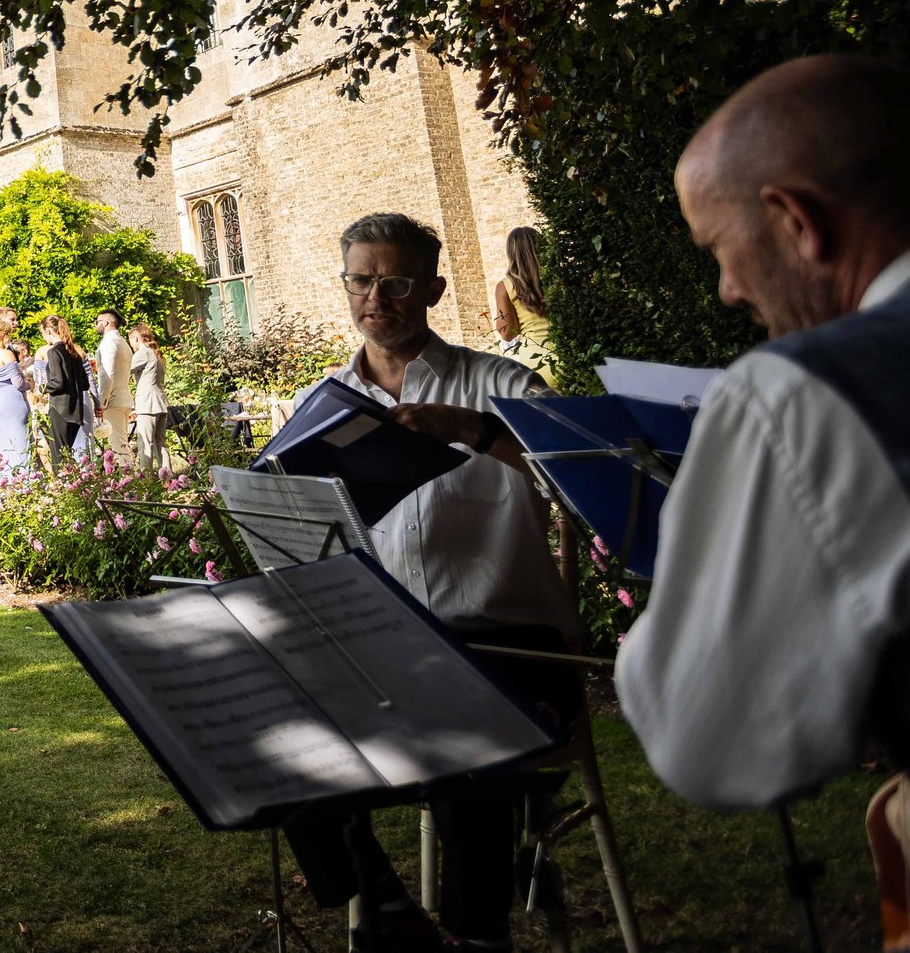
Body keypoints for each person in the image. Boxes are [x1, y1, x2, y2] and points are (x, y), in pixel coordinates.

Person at [616, 57, 910, 833]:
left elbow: (710, 738)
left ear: (795, 220)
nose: (728, 291)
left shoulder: (801, 394)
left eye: (718, 249)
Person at [280, 211, 579, 952]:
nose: (374, 296)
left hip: (511, 645)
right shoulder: (323, 403)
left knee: (465, 706)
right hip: (386, 646)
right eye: (360, 279)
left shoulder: (501, 382)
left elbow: (579, 479)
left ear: (434, 288)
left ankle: (478, 934)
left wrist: (477, 430)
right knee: (270, 716)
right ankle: (389, 911)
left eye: (395, 280)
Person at [488, 226, 557, 377]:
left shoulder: (505, 287)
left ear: (511, 253)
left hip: (537, 364)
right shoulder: (558, 276)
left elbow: (507, 334)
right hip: (571, 356)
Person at [35, 316, 94, 463]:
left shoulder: (54, 352)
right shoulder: (73, 351)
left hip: (60, 409)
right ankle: (73, 483)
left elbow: (57, 382)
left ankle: (63, 485)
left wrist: (41, 390)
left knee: (58, 457)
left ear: (48, 331)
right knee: (66, 454)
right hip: (76, 411)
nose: (43, 337)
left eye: (42, 333)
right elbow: (85, 384)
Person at [0, 322, 32, 471]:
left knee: (4, 441)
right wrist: (32, 384)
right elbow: (18, 383)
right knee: (20, 441)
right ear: (4, 335)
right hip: (12, 401)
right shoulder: (6, 353)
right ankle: (21, 476)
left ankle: (6, 476)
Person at [128, 324, 169, 471]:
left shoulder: (142, 353)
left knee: (145, 443)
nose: (131, 345)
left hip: (147, 404)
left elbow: (125, 370)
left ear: (136, 338)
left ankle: (146, 481)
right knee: (160, 444)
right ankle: (168, 480)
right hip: (160, 403)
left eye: (131, 341)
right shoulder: (156, 354)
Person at [94, 310, 133, 454]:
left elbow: (106, 374)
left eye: (97, 322)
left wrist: (101, 402)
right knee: (123, 444)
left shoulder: (108, 342)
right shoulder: (123, 342)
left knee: (119, 447)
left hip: (113, 400)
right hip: (124, 397)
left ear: (106, 322)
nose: (96, 325)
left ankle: (129, 476)